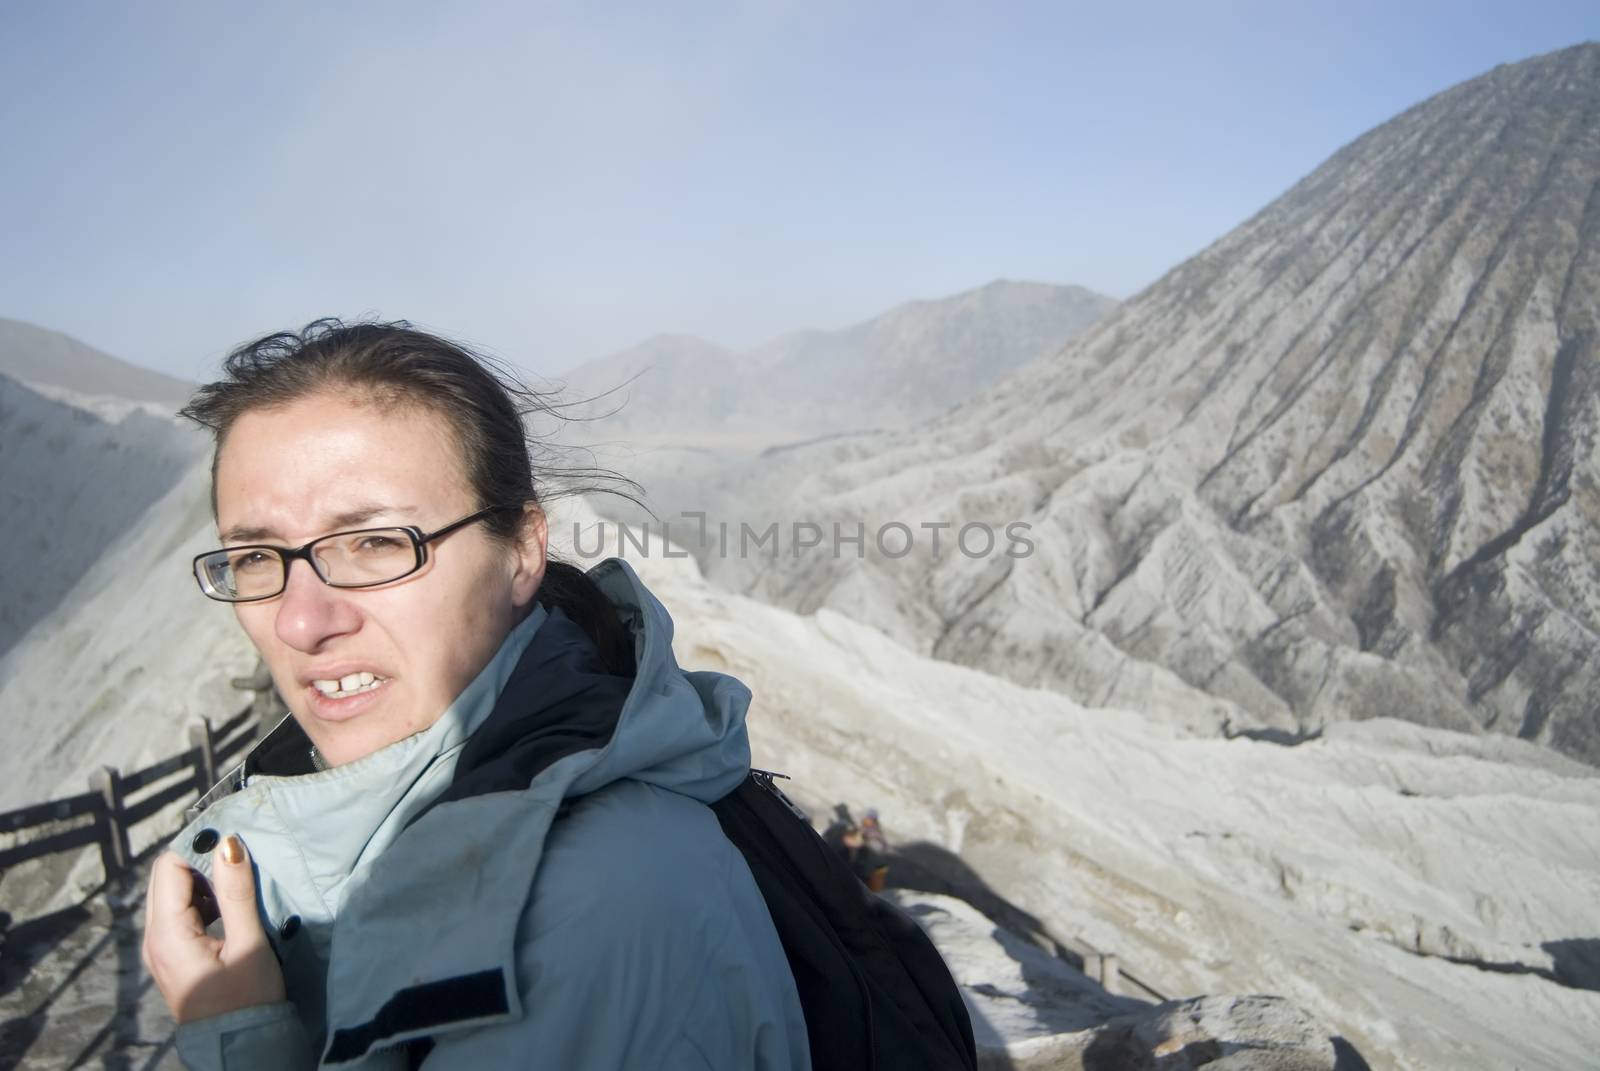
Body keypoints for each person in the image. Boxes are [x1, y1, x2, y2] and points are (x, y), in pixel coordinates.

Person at [141, 320, 811, 1070]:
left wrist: (244, 1039)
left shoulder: (600, 907)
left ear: (521, 550)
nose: (300, 620)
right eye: (257, 556)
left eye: (376, 542)